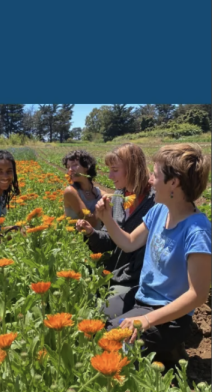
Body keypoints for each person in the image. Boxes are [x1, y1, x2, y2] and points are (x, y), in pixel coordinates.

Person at [97, 143, 211, 369]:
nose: (149, 180)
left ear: (173, 183)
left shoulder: (197, 231)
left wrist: (146, 321)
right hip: (142, 299)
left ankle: (169, 349)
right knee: (92, 318)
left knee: (111, 344)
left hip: (169, 315)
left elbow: (197, 295)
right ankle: (163, 349)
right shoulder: (159, 211)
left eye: (155, 174)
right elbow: (129, 243)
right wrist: (107, 219)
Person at [75, 143, 155, 296]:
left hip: (141, 278)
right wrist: (91, 232)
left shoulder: (154, 200)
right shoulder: (118, 197)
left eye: (115, 170)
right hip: (116, 271)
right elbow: (110, 241)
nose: (110, 176)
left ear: (132, 169)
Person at [62, 149, 102, 228]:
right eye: (68, 167)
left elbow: (111, 195)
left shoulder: (97, 191)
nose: (70, 170)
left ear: (86, 167)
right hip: (78, 239)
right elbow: (89, 223)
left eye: (75, 165)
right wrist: (102, 207)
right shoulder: (70, 191)